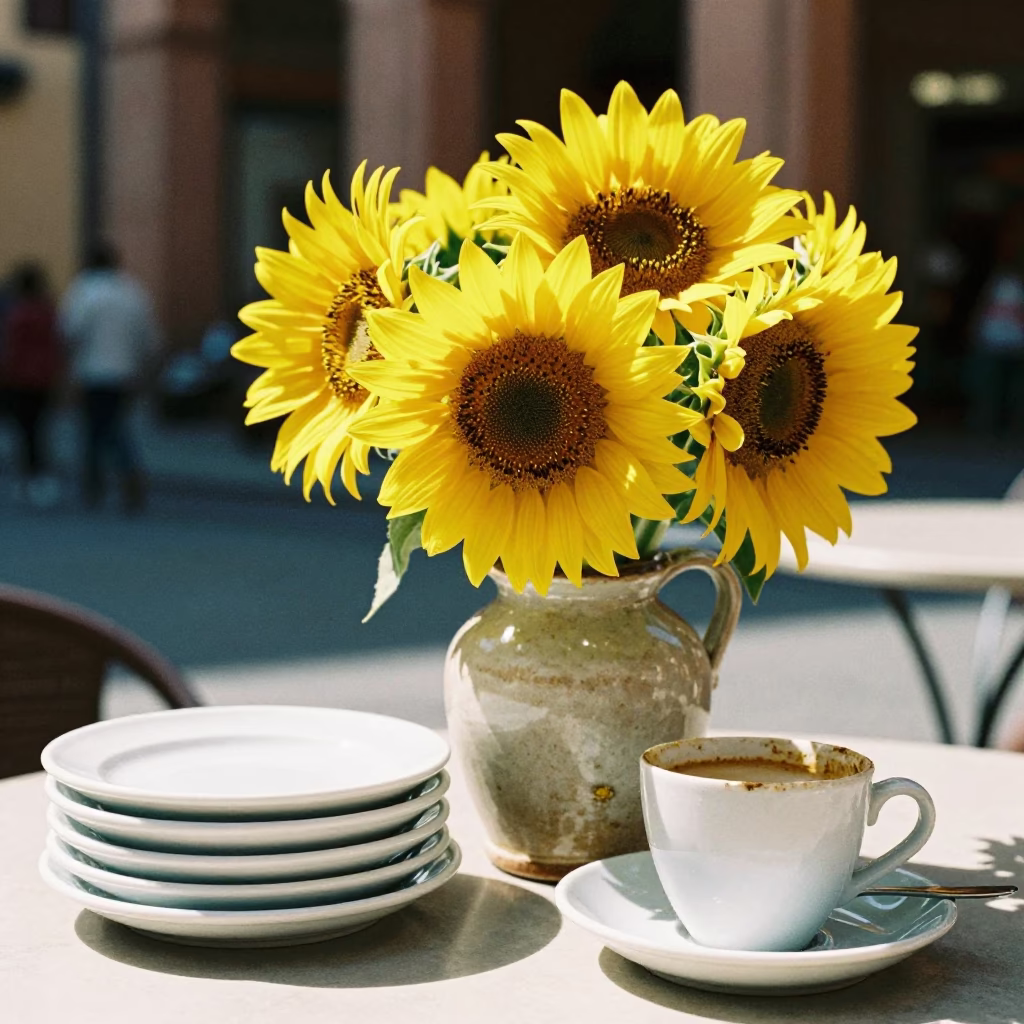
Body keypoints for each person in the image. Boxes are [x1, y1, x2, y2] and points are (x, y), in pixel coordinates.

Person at [60, 243, 158, 511]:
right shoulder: (133, 291)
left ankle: (97, 483)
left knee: (96, 429)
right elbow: (149, 338)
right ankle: (125, 477)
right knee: (116, 425)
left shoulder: (84, 290)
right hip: (126, 373)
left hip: (93, 372)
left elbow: (70, 332)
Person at [0, 263, 63, 506]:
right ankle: (41, 479)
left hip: (21, 380)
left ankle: (29, 478)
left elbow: (11, 350)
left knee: (25, 433)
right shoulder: (49, 313)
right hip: (44, 379)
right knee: (40, 429)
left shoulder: (18, 315)